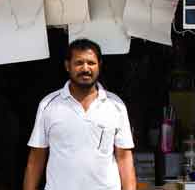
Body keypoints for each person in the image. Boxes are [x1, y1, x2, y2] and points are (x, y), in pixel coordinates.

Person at [22, 39, 137, 190]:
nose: (85, 68)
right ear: (67, 66)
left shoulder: (116, 105)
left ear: (99, 66)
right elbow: (37, 157)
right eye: (79, 63)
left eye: (91, 63)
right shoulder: (49, 104)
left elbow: (124, 157)